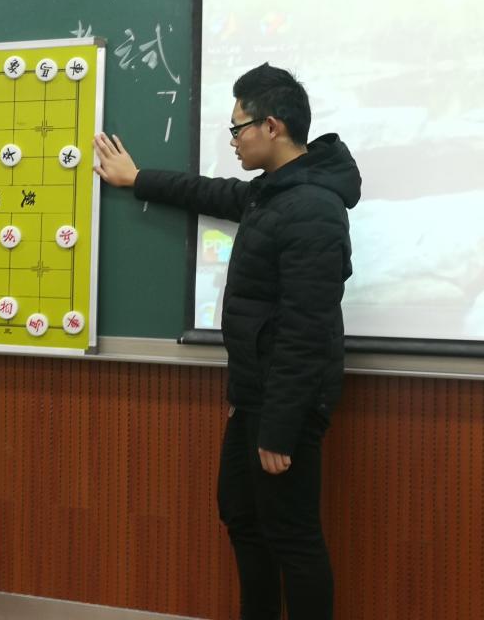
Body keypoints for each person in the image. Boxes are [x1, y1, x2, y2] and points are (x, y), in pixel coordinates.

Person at [94, 63, 360, 620]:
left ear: (272, 126)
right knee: (242, 516)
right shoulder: (274, 194)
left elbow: (306, 330)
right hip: (254, 396)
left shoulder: (312, 208)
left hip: (284, 406)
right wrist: (137, 178)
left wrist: (279, 429)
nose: (233, 139)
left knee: (292, 536)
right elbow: (210, 192)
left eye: (238, 127)